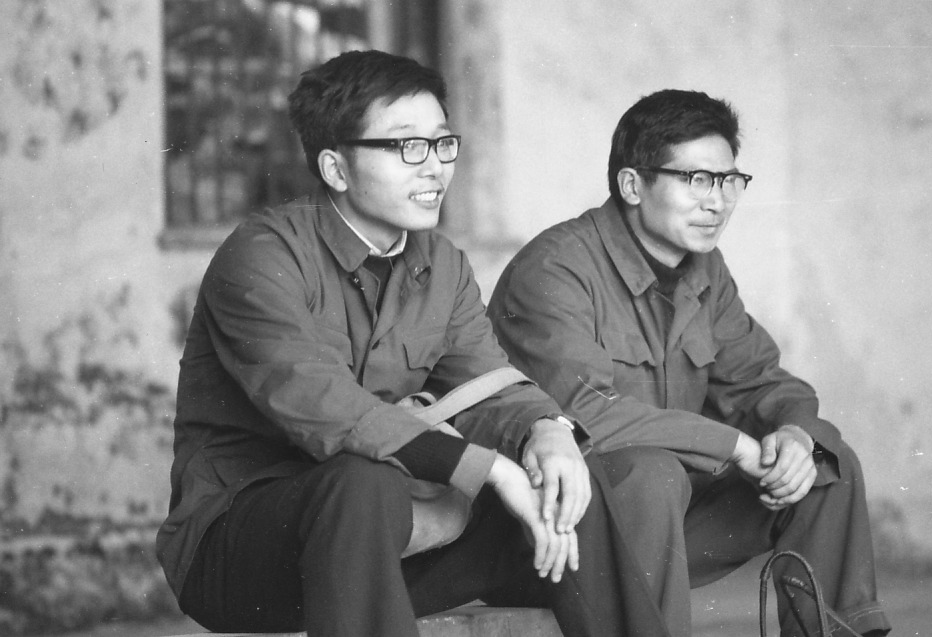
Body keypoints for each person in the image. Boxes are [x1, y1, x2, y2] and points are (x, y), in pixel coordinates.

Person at [156, 50, 670, 637]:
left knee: (569, 480)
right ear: (336, 169)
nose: (434, 168)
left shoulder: (441, 264)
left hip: (393, 543)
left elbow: (489, 384)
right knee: (361, 483)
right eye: (406, 146)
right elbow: (327, 409)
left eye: (442, 143)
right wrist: (490, 470)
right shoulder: (263, 257)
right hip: (243, 553)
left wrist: (547, 431)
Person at [487, 89, 892, 637]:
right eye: (696, 180)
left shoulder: (704, 268)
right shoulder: (557, 269)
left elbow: (760, 381)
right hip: (550, 537)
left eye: (729, 181)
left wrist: (796, 434)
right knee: (649, 473)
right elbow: (586, 415)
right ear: (633, 185)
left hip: (663, 523)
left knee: (823, 460)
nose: (717, 202)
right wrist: (737, 447)